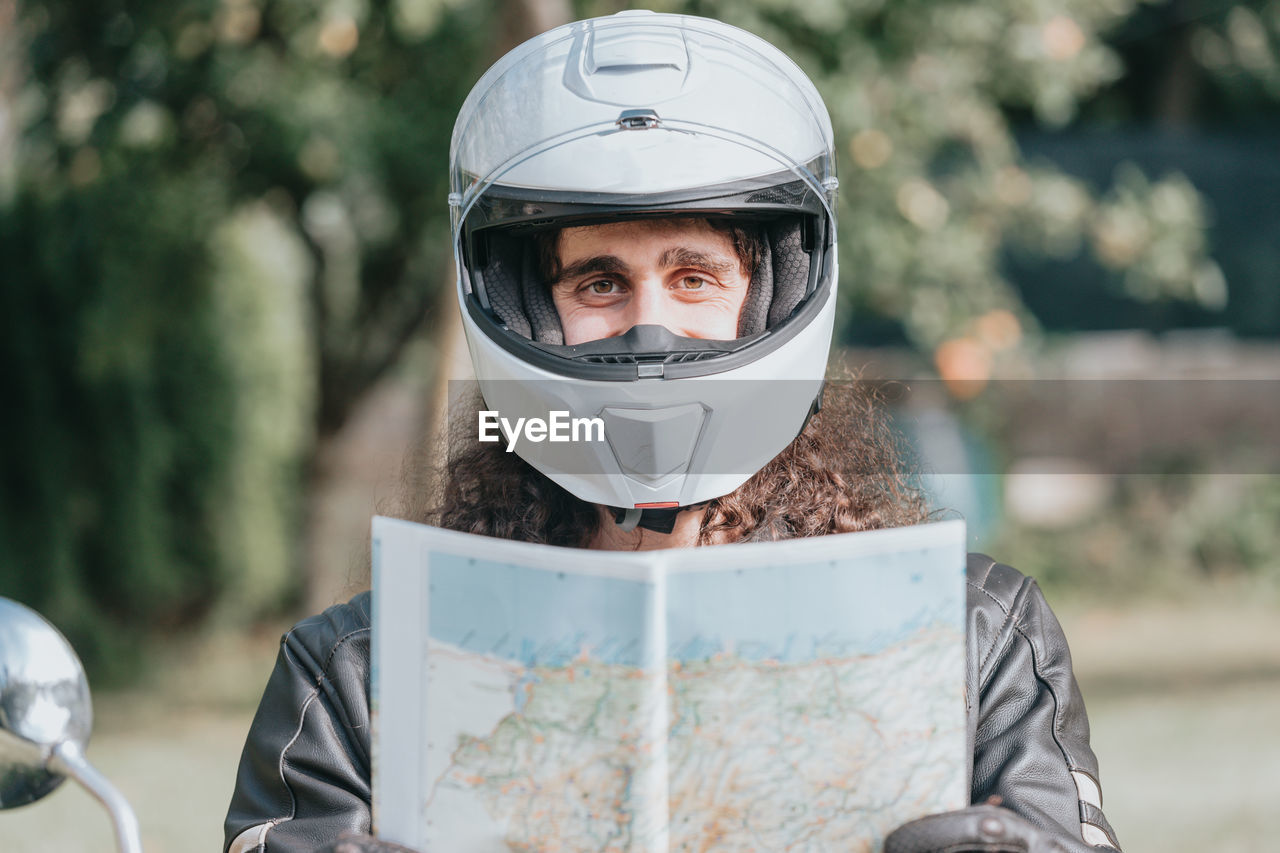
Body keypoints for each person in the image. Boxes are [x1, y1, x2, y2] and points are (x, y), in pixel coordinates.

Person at [224, 11, 1123, 853]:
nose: (649, 329)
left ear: (768, 296)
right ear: (528, 309)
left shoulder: (973, 635)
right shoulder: (353, 675)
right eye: (600, 284)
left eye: (694, 276)